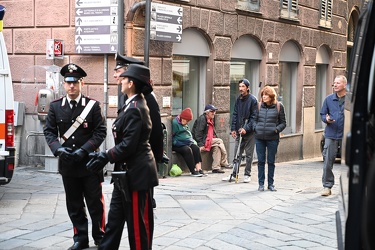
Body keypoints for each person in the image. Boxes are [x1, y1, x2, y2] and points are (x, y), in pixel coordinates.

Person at [86, 64, 159, 250]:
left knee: (137, 226)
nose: (120, 80)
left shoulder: (136, 107)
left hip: (136, 175)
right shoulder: (129, 104)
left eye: (123, 78)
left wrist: (105, 155)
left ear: (131, 83)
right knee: (114, 222)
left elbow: (128, 145)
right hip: (124, 174)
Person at [43, 63, 107, 250]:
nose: (72, 86)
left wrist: (85, 150)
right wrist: (58, 150)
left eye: (75, 82)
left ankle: (100, 236)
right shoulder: (56, 107)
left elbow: (100, 132)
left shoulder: (92, 106)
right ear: (64, 84)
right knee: (74, 204)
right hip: (68, 165)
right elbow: (49, 132)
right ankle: (80, 238)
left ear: (82, 83)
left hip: (89, 164)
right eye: (68, 82)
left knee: (95, 203)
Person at [114, 52, 164, 208]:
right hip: (127, 159)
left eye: (118, 71)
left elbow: (156, 130)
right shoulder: (125, 95)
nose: (115, 75)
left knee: (141, 207)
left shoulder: (146, 97)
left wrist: (155, 157)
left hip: (141, 159)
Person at [222, 79, 258, 182]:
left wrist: (246, 129)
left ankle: (247, 174)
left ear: (247, 88)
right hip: (239, 131)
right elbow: (235, 114)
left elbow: (254, 117)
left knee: (249, 154)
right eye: (239, 86)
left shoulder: (253, 100)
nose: (241, 89)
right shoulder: (238, 99)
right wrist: (233, 128)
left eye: (243, 86)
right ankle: (234, 174)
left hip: (249, 132)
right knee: (237, 153)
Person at [254, 86, 286, 192]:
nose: (264, 96)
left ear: (271, 96)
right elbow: (253, 120)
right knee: (261, 161)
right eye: (263, 94)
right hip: (259, 138)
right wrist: (256, 128)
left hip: (272, 138)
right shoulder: (258, 106)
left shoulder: (279, 106)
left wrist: (276, 130)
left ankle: (271, 184)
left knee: (271, 161)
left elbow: (283, 123)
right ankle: (261, 184)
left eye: (266, 95)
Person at [320, 75, 347, 196]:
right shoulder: (328, 99)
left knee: (350, 163)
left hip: (346, 135)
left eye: (338, 83)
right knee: (327, 162)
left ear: (344, 85)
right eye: (334, 83)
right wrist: (326, 119)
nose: (335, 85)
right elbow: (322, 114)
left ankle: (348, 186)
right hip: (331, 134)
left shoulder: (351, 100)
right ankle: (327, 186)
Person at [192, 104, 229, 173]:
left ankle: (216, 168)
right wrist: (201, 145)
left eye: (214, 111)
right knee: (220, 141)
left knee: (217, 147)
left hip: (208, 140)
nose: (214, 113)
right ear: (207, 112)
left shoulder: (210, 120)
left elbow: (212, 133)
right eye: (212, 111)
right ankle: (224, 162)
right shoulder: (202, 119)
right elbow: (197, 134)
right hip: (203, 141)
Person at [172, 108, 204, 177]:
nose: (187, 122)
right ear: (183, 118)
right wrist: (176, 142)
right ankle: (193, 170)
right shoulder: (175, 123)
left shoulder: (184, 124)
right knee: (187, 150)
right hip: (178, 144)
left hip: (187, 142)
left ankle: (199, 168)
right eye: (187, 121)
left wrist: (193, 142)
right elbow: (172, 136)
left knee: (196, 148)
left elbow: (188, 134)